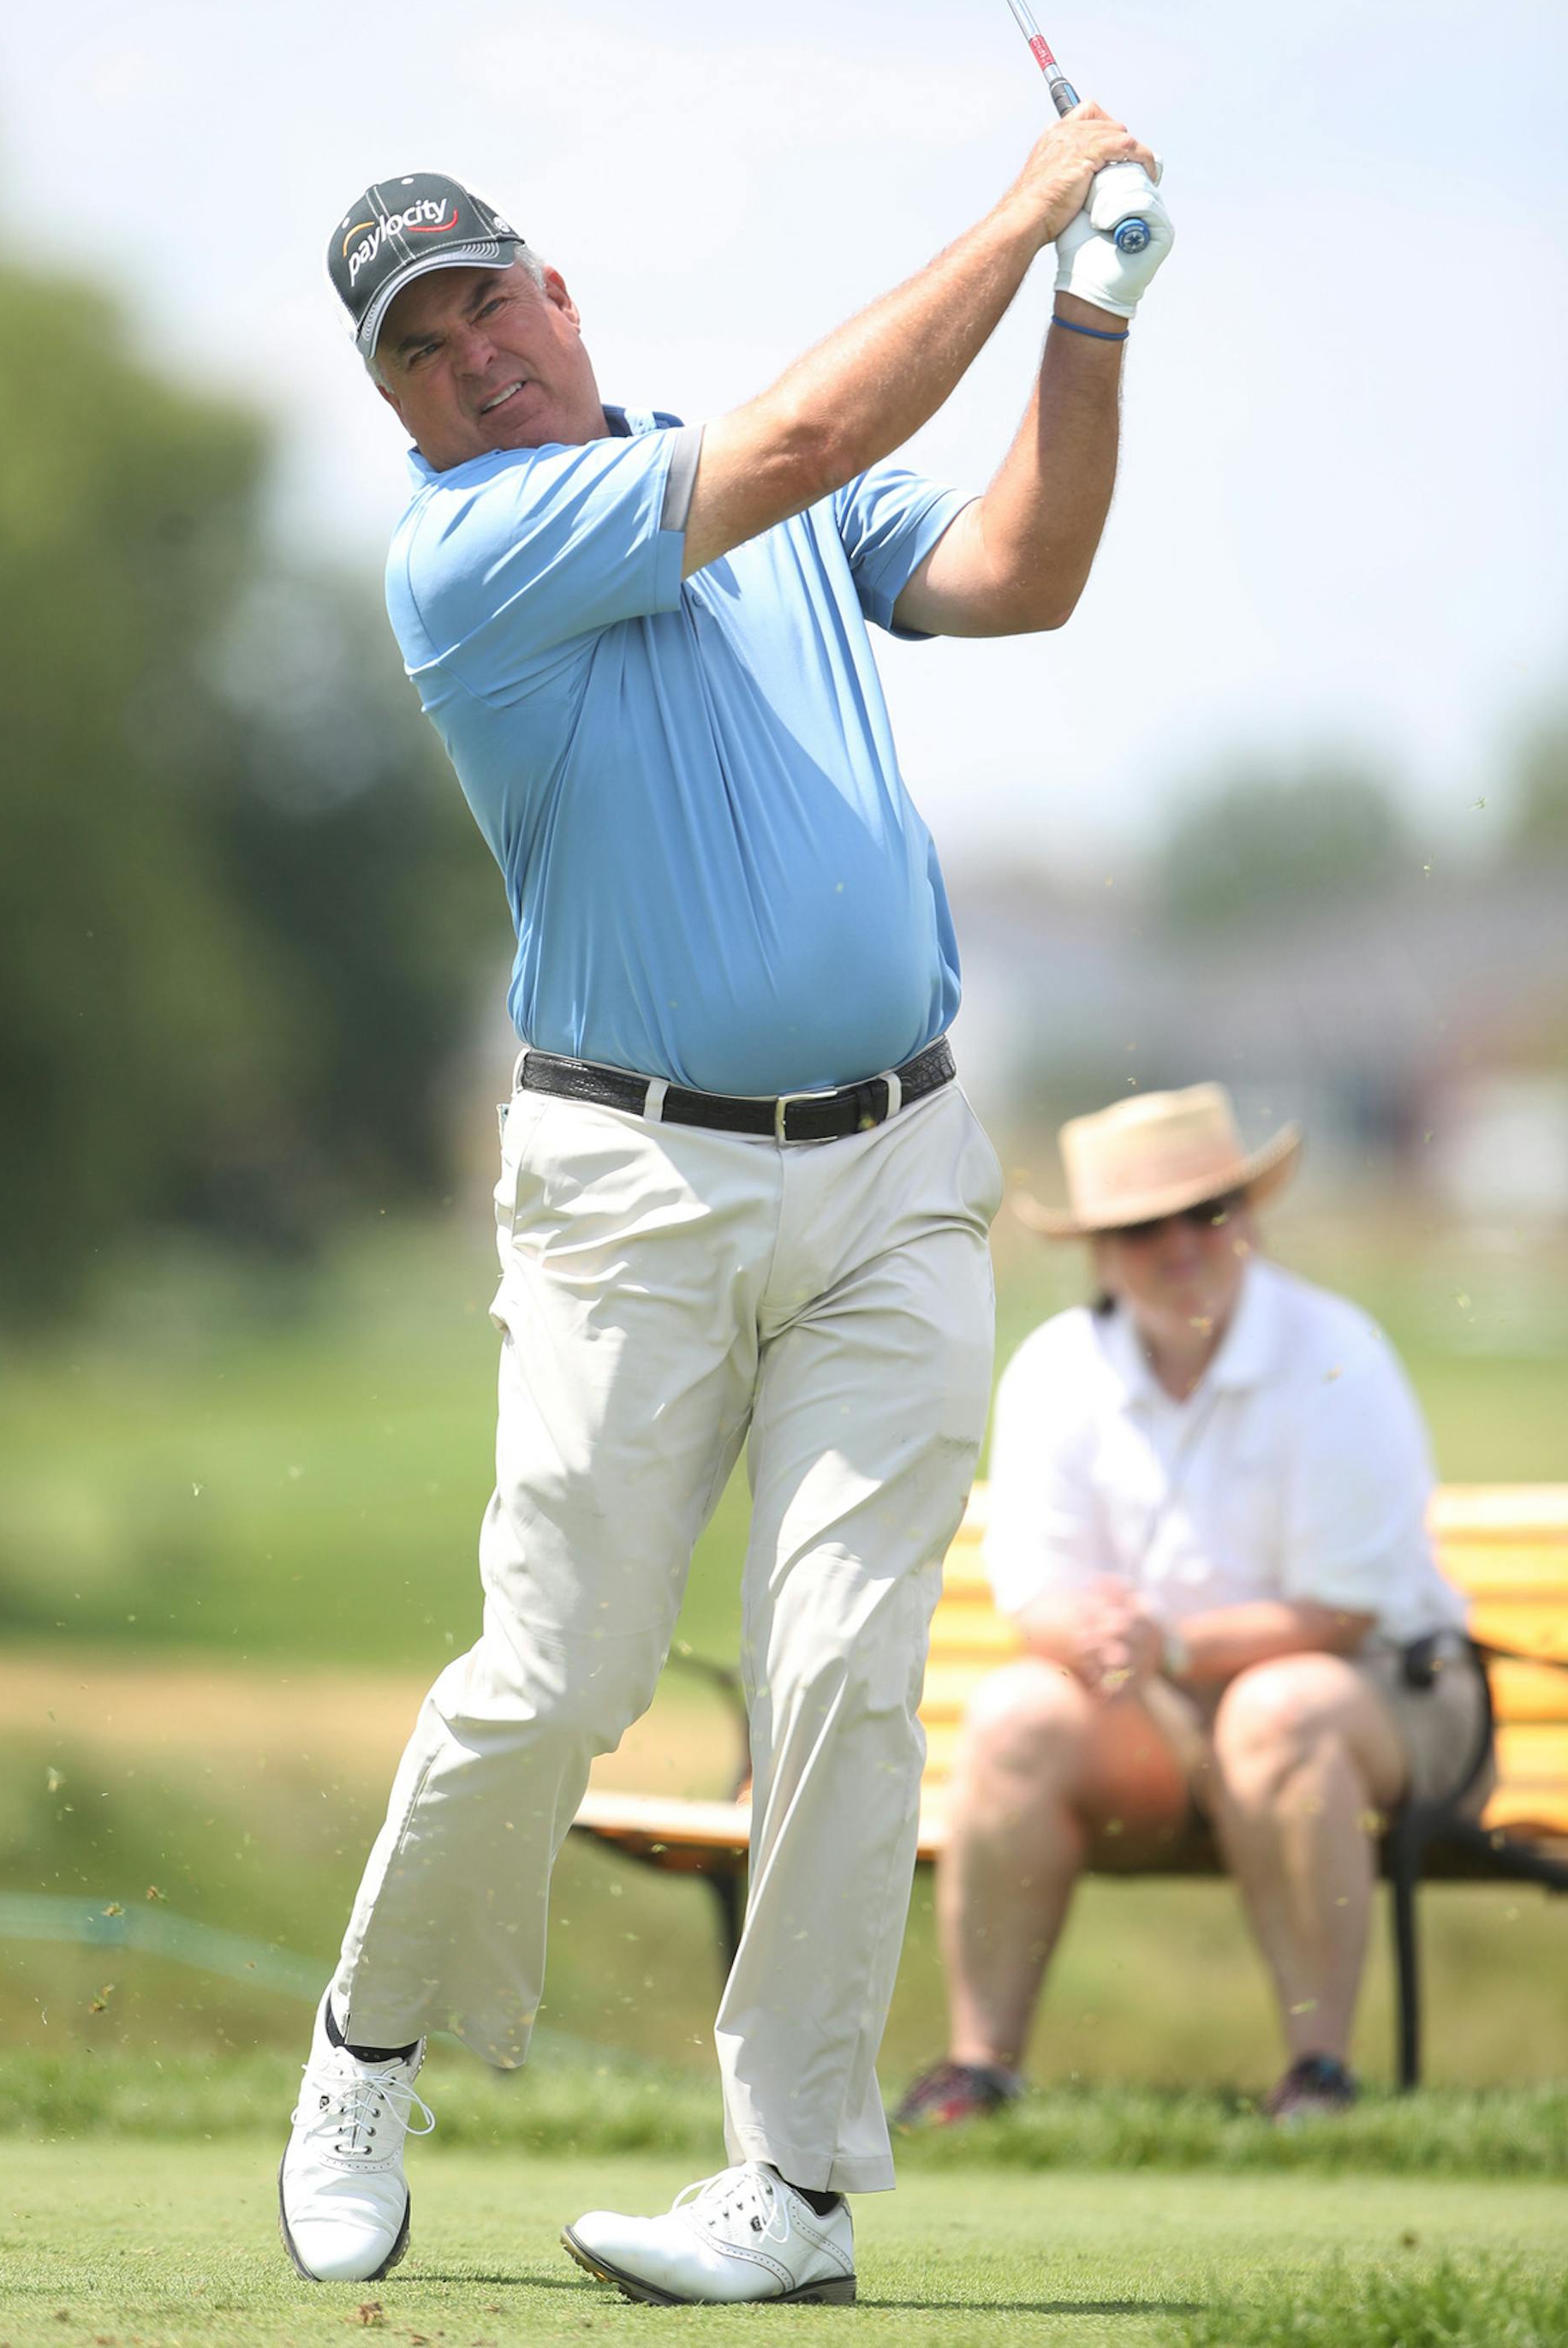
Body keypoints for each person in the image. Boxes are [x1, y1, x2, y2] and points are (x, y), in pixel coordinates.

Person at [279, 121, 1174, 2307]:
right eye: (418, 346)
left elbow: (1018, 567)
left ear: (554, 290)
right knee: (558, 1670)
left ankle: (788, 2177)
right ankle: (367, 2037)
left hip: (896, 1168)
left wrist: (1091, 308)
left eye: (485, 299)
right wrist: (1025, 195)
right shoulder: (474, 552)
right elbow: (812, 425)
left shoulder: (755, 498)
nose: (470, 356)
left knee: (848, 1672)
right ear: (395, 404)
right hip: (632, 1184)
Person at [894, 1084, 1488, 2133]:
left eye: (1205, 1211)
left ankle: (1319, 2073)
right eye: (1140, 1226)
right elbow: (1037, 1590)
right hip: (1167, 1709)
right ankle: (980, 2070)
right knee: (1016, 1713)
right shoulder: (1053, 1369)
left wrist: (1163, 1640)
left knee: (1282, 1708)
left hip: (1392, 1698)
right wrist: (1094, 1633)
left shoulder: (1335, 1348)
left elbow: (1343, 1613)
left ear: (1247, 1216)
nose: (1180, 1244)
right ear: (1101, 1250)